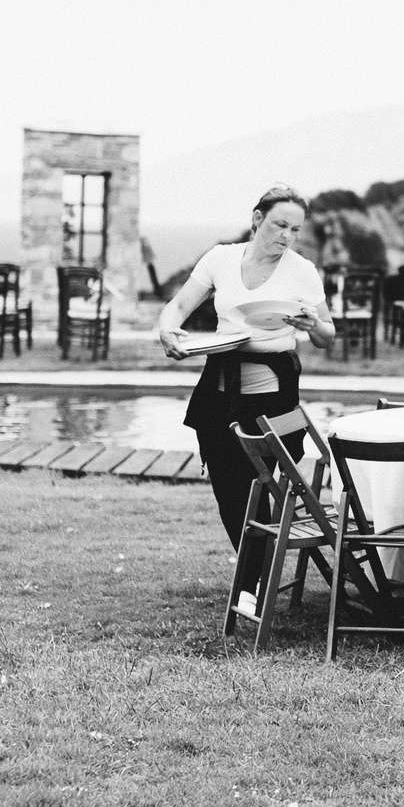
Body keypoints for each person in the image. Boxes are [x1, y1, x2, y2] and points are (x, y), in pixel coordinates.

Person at [155, 184, 336, 541]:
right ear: (257, 219)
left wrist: (312, 324)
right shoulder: (220, 258)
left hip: (273, 396)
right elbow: (178, 306)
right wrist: (167, 329)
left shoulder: (302, 271)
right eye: (280, 225)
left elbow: (327, 333)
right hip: (219, 390)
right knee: (226, 486)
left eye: (295, 230)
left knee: (255, 483)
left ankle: (253, 585)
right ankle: (254, 578)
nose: (287, 236)